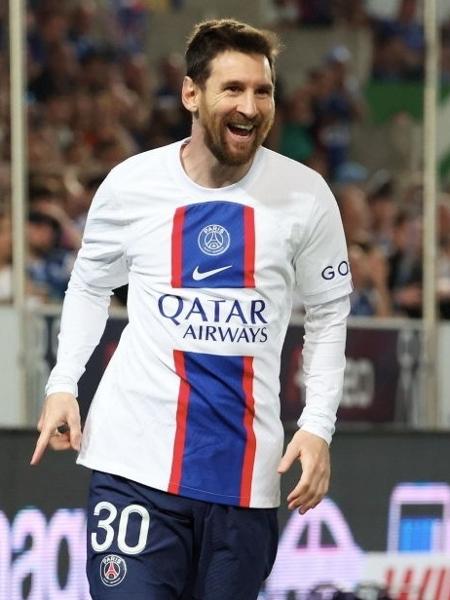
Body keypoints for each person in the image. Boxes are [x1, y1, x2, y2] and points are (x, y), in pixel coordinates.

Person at [31, 18, 352, 600]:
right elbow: (88, 285)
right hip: (135, 466)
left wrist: (318, 426)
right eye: (232, 89)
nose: (250, 106)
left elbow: (330, 314)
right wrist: (62, 384)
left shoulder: (307, 196)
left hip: (244, 481)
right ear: (190, 93)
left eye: (262, 90)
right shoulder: (132, 186)